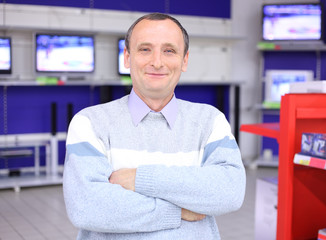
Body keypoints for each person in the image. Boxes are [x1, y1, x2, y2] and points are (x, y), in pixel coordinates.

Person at [63, 12, 246, 239]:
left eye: (169, 51)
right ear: (127, 58)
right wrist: (178, 210)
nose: (157, 62)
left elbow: (230, 192)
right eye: (145, 49)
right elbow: (87, 206)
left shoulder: (210, 121)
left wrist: (140, 179)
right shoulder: (90, 123)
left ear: (184, 60)